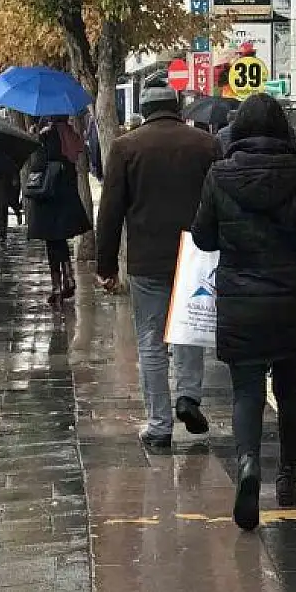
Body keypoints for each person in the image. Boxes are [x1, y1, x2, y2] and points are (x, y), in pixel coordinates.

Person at [190, 93, 296, 530]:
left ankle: (249, 464)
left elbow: (203, 237)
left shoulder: (219, 174)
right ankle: (288, 478)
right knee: (290, 391)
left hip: (240, 300)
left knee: (246, 392)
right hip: (291, 298)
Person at [95, 81, 220, 448]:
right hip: (195, 255)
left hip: (146, 259)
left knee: (151, 340)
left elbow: (111, 211)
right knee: (189, 330)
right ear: (177, 106)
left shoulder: (125, 147)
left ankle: (159, 423)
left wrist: (105, 266)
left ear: (145, 111)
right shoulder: (205, 145)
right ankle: (188, 397)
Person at [25, 116, 92, 307]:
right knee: (60, 241)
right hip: (65, 197)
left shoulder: (48, 135)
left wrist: (36, 139)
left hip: (49, 199)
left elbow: (39, 164)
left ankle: (57, 285)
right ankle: (68, 276)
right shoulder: (70, 134)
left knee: (53, 243)